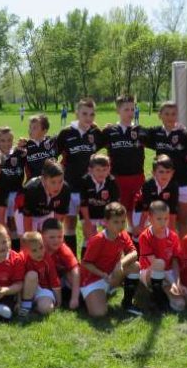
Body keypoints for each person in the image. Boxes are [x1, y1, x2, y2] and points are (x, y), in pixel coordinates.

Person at [56, 97, 105, 255]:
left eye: (92, 114)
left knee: (89, 227)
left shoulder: (96, 133)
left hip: (89, 189)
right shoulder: (66, 133)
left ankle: (87, 262)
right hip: (69, 186)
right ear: (77, 113)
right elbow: (52, 155)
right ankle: (71, 261)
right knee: (69, 225)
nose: (88, 118)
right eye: (84, 114)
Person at [145, 101, 187, 235]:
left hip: (184, 182)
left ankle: (183, 247)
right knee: (166, 219)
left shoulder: (185, 135)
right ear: (160, 115)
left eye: (173, 114)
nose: (170, 117)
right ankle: (167, 246)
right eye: (167, 114)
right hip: (164, 184)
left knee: (183, 220)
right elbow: (135, 134)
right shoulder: (155, 133)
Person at [79, 202, 141, 317]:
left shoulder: (123, 235)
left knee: (135, 266)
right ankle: (89, 295)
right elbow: (85, 263)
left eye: (123, 221)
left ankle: (127, 303)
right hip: (93, 279)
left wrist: (121, 263)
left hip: (111, 275)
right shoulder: (98, 240)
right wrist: (102, 274)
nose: (120, 225)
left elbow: (134, 253)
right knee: (99, 313)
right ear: (105, 222)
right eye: (116, 222)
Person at [103, 95, 147, 229]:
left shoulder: (140, 131)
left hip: (137, 178)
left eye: (132, 109)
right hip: (117, 179)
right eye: (126, 109)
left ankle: (133, 235)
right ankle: (119, 239)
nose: (130, 113)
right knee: (118, 215)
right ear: (118, 110)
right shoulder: (109, 131)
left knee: (137, 215)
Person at [138, 200, 187, 313]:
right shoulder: (145, 236)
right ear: (150, 219)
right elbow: (154, 263)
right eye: (159, 219)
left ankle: (164, 294)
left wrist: (177, 283)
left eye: (166, 219)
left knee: (180, 305)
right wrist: (171, 283)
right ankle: (158, 299)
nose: (163, 222)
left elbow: (175, 261)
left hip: (168, 272)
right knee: (160, 263)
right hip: (149, 271)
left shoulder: (173, 236)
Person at [78, 154, 120, 256]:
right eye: (98, 170)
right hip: (89, 213)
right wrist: (87, 222)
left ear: (109, 169)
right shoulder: (84, 181)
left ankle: (109, 258)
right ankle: (85, 261)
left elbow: (114, 204)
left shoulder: (112, 181)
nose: (101, 173)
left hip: (105, 213)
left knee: (111, 235)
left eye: (104, 170)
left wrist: (109, 220)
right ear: (90, 170)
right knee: (89, 236)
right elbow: (83, 204)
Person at [0, 127, 26, 251]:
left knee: (16, 226)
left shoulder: (20, 153)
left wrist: (25, 142)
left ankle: (16, 253)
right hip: (0, 197)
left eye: (9, 140)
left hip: (17, 195)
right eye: (2, 140)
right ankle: (3, 253)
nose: (6, 143)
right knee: (3, 226)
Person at [41, 217, 81, 310]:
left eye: (60, 237)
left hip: (60, 281)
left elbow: (76, 270)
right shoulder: (37, 249)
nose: (56, 240)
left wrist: (74, 298)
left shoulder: (63, 248)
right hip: (43, 283)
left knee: (72, 275)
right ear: (42, 236)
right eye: (52, 237)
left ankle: (76, 297)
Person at [21, 160, 72, 232]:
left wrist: (53, 233)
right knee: (27, 237)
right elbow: (27, 220)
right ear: (43, 179)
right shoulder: (32, 190)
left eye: (60, 181)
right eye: (53, 182)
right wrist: (31, 237)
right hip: (25, 214)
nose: (57, 186)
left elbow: (59, 220)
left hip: (47, 213)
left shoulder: (65, 189)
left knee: (52, 234)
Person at [18, 230, 60, 317]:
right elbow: (17, 281)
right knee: (32, 275)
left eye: (41, 247)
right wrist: (18, 301)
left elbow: (55, 281)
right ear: (25, 251)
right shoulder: (20, 259)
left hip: (42, 290)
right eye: (34, 250)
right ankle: (25, 306)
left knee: (47, 309)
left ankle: (34, 308)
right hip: (25, 289)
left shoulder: (47, 259)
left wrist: (59, 302)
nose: (39, 252)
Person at [134, 155, 179, 231]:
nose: (165, 175)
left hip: (161, 211)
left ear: (172, 173)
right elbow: (146, 209)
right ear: (154, 173)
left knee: (165, 228)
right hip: (142, 211)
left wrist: (172, 233)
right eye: (161, 172)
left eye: (168, 172)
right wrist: (141, 228)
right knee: (143, 229)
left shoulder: (173, 186)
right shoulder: (148, 185)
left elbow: (172, 211)